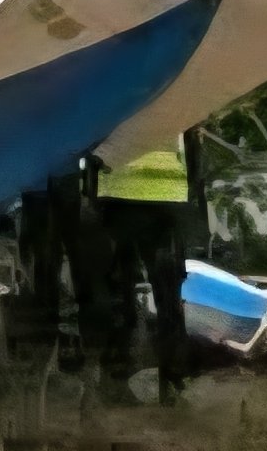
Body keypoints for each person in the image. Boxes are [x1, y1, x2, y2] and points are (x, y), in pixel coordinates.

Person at [86, 131, 208, 395]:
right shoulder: (173, 91)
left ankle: (117, 374)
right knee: (166, 297)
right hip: (166, 201)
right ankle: (171, 378)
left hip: (119, 201)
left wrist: (92, 197)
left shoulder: (114, 95)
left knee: (120, 292)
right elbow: (193, 146)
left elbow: (93, 146)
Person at [10, 163, 93, 369]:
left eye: (65, 354)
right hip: (52, 201)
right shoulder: (88, 329)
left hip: (44, 205)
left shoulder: (46, 332)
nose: (69, 349)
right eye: (74, 352)